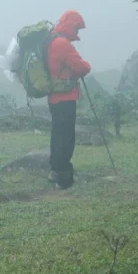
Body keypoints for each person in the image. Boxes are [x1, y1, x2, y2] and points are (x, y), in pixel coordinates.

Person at [46, 11, 91, 189]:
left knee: (57, 135)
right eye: (77, 28)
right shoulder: (61, 44)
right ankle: (64, 179)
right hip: (65, 97)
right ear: (70, 25)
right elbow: (80, 66)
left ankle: (55, 170)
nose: (78, 33)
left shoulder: (50, 40)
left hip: (53, 97)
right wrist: (88, 65)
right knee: (66, 137)